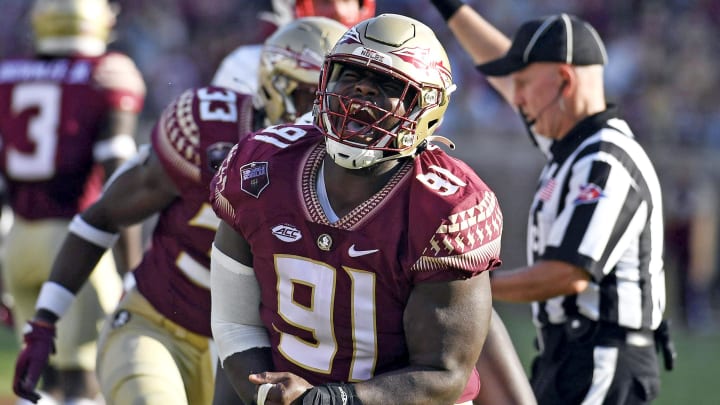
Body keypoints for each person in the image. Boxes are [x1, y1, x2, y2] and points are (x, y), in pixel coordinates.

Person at [11, 16, 348, 405]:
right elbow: (103, 215)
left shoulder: (347, 177)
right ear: (274, 86)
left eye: (337, 96)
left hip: (250, 355)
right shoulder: (211, 135)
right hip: (160, 326)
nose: (327, 112)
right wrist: (45, 321)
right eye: (312, 95)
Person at [210, 13, 504, 405]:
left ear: (426, 106)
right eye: (350, 74)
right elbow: (235, 323)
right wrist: (266, 395)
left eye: (387, 84)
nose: (362, 91)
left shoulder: (446, 207)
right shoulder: (260, 166)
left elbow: (442, 373)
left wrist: (324, 401)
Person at [429, 1, 673, 403]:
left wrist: (473, 291)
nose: (517, 98)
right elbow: (498, 67)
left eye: (524, 83)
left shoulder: (606, 159)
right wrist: (452, 8)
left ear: (563, 79)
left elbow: (569, 272)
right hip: (570, 356)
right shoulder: (572, 146)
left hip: (602, 360)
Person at [0, 0, 146, 403]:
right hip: (75, 246)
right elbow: (121, 180)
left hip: (19, 244)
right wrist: (132, 269)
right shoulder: (106, 74)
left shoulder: (7, 75)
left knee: (40, 381)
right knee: (81, 385)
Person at [211, 0, 375, 95]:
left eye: (347, 0)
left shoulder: (380, 68)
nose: (338, 11)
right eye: (324, 1)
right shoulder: (246, 65)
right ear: (292, 7)